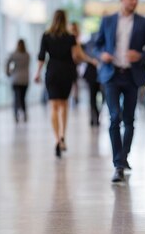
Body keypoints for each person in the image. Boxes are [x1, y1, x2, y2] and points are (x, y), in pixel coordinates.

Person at [94, 0, 145, 183]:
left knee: (129, 119)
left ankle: (123, 157)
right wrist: (101, 54)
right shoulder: (108, 20)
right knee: (114, 117)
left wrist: (140, 55)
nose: (134, 1)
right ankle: (118, 164)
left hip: (132, 75)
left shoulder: (144, 23)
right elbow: (96, 45)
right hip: (112, 75)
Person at [34, 10, 94, 158]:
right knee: (64, 105)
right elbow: (77, 56)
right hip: (67, 72)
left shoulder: (46, 36)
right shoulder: (70, 37)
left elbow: (41, 56)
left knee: (53, 106)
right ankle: (62, 135)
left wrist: (37, 73)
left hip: (52, 71)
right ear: (65, 20)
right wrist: (90, 59)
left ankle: (56, 139)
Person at [6, 39, 31, 123]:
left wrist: (8, 72)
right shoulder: (27, 55)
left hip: (15, 79)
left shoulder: (13, 54)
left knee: (16, 98)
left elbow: (7, 63)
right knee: (23, 98)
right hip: (25, 79)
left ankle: (16, 114)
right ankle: (24, 113)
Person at [83, 34, 103, 127]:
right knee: (92, 97)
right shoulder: (88, 46)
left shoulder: (103, 45)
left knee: (101, 97)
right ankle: (93, 117)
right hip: (92, 75)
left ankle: (97, 115)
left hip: (102, 75)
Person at [69, 22, 82, 106]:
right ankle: (73, 97)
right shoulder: (70, 37)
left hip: (74, 63)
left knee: (74, 81)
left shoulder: (76, 39)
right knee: (73, 82)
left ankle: (75, 97)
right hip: (70, 62)